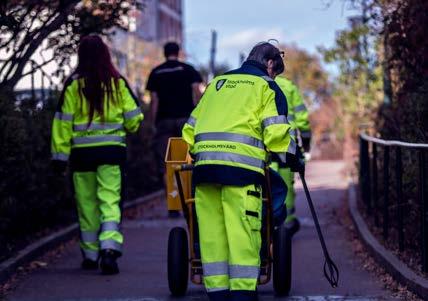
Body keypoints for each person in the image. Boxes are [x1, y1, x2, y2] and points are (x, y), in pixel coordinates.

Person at [182, 42, 303, 301]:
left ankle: (217, 292)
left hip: (204, 171)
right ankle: (243, 294)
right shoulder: (266, 87)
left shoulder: (217, 84)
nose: (274, 78)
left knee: (212, 234)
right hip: (242, 173)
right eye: (275, 73)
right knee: (242, 232)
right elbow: (275, 135)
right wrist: (295, 158)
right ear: (270, 64)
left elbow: (189, 131)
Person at [51, 35, 143, 275]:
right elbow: (134, 119)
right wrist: (127, 128)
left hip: (82, 156)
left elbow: (62, 122)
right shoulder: (116, 82)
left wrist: (59, 157)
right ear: (106, 55)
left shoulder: (73, 84)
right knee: (109, 201)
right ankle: (109, 249)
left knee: (86, 204)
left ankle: (90, 255)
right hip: (112, 153)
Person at [146, 41, 203, 196]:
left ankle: (173, 199)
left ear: (164, 53)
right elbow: (197, 93)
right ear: (178, 53)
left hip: (164, 121)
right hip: (186, 121)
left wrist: (152, 123)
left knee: (168, 162)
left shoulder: (156, 72)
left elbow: (154, 100)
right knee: (187, 159)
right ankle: (188, 196)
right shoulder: (188, 69)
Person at [272, 76, 312, 235]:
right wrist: (307, 143)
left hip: (262, 144)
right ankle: (285, 223)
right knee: (285, 184)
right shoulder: (289, 86)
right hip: (287, 144)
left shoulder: (254, 83)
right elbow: (302, 119)